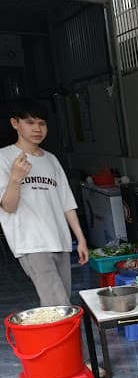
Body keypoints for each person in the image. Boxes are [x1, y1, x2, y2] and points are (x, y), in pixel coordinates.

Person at [0, 97, 89, 307]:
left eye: (41, 123)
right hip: (32, 243)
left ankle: (53, 339)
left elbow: (67, 202)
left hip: (60, 240)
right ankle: (65, 339)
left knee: (59, 302)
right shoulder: (4, 158)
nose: (37, 128)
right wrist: (15, 178)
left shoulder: (51, 160)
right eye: (30, 123)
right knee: (59, 304)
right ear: (15, 123)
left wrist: (80, 239)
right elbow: (9, 206)